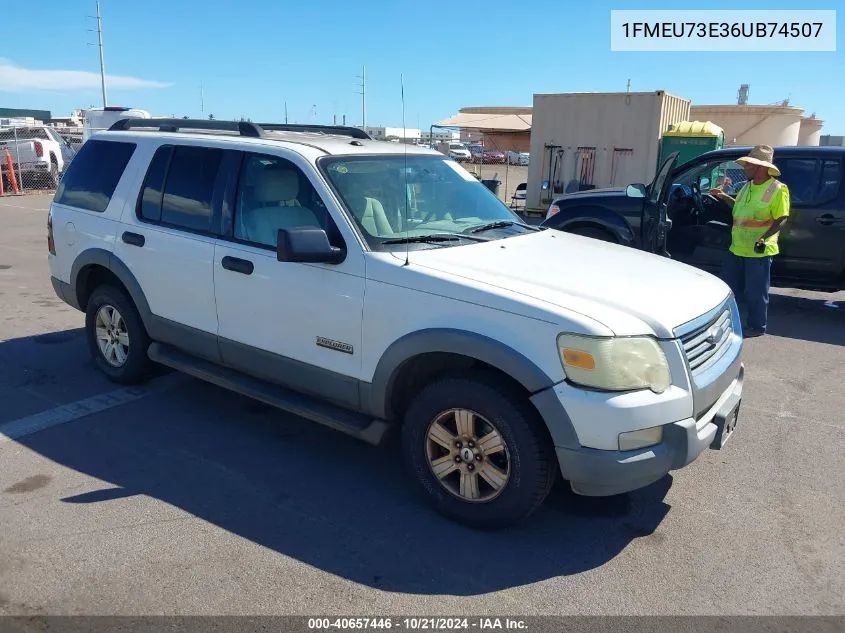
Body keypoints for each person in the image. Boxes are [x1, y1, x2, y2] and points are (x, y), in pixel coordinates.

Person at [709, 145, 790, 338]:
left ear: (760, 167)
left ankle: (756, 326)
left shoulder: (778, 189)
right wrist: (724, 197)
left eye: (748, 165)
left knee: (755, 293)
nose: (745, 167)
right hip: (737, 247)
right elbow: (739, 208)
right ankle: (725, 322)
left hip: (759, 250)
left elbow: (782, 218)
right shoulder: (747, 185)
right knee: (727, 287)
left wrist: (764, 237)